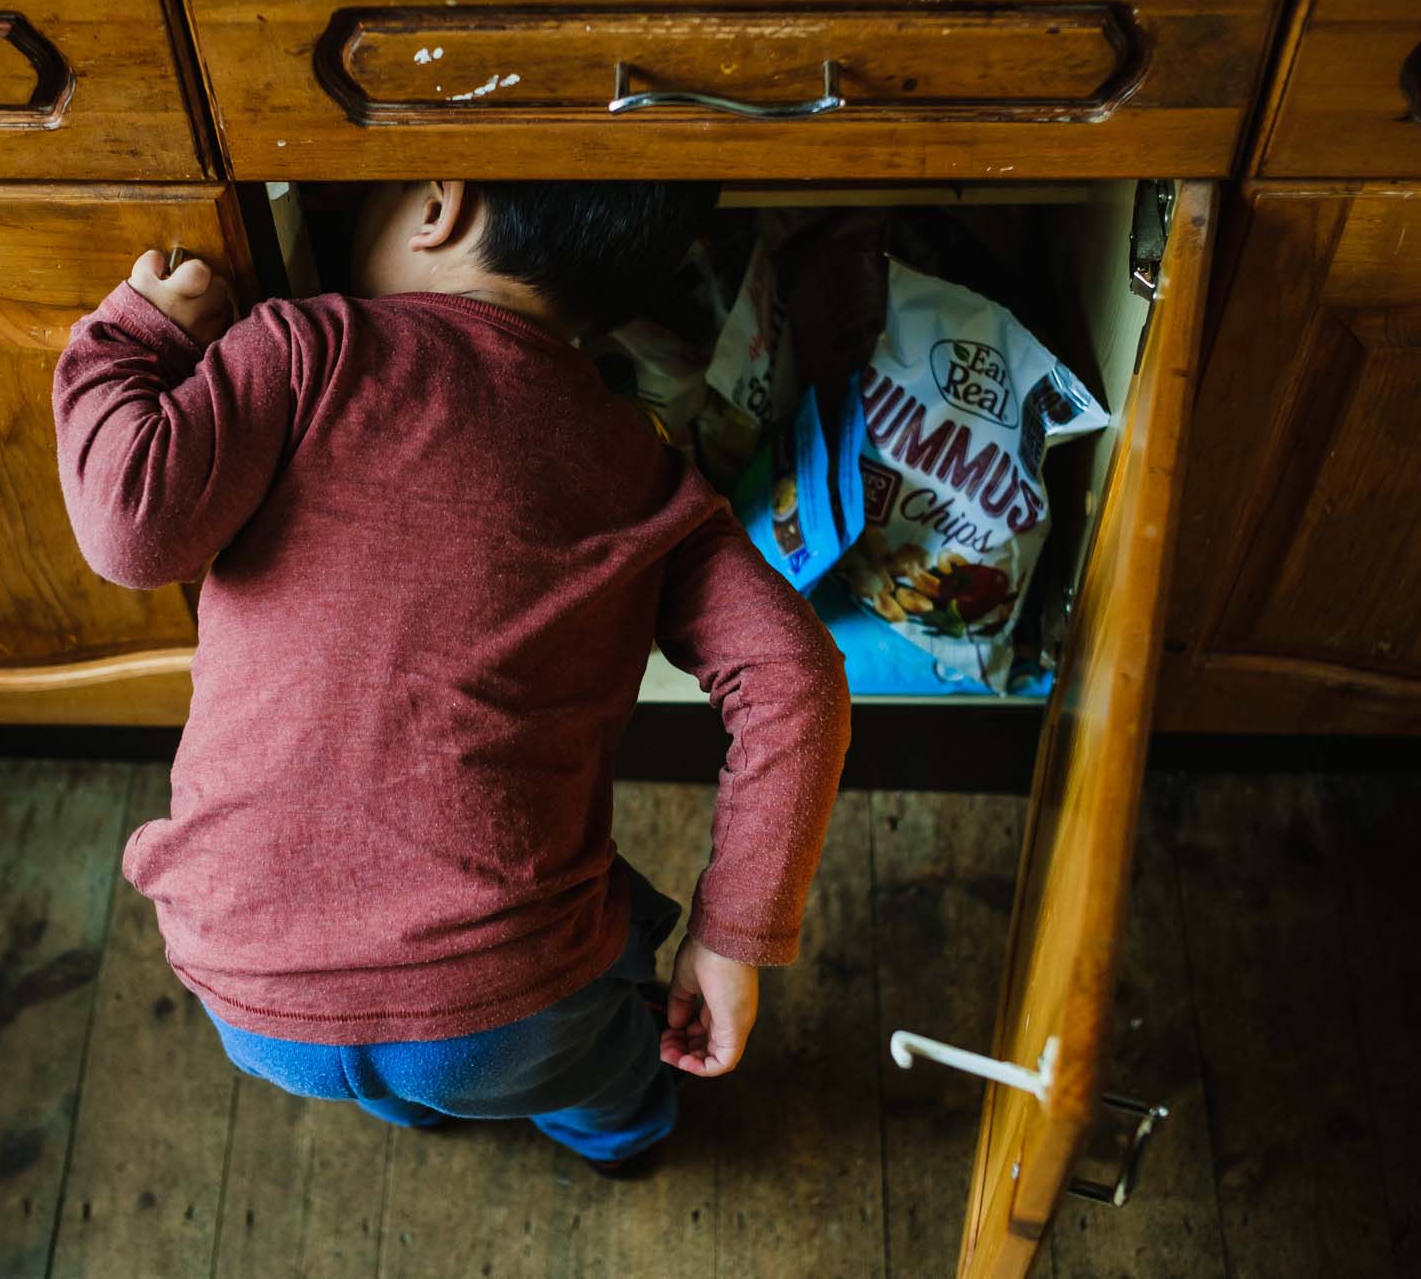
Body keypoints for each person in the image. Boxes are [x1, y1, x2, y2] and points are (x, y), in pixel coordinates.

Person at [51, 180, 851, 1175]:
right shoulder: (643, 471)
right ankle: (619, 1139)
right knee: (599, 1063)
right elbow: (793, 675)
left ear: (440, 204)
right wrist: (730, 937)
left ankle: (411, 1104)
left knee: (391, 1068)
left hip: (243, 976)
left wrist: (131, 343)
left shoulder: (309, 347)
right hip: (513, 1003)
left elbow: (131, 529)